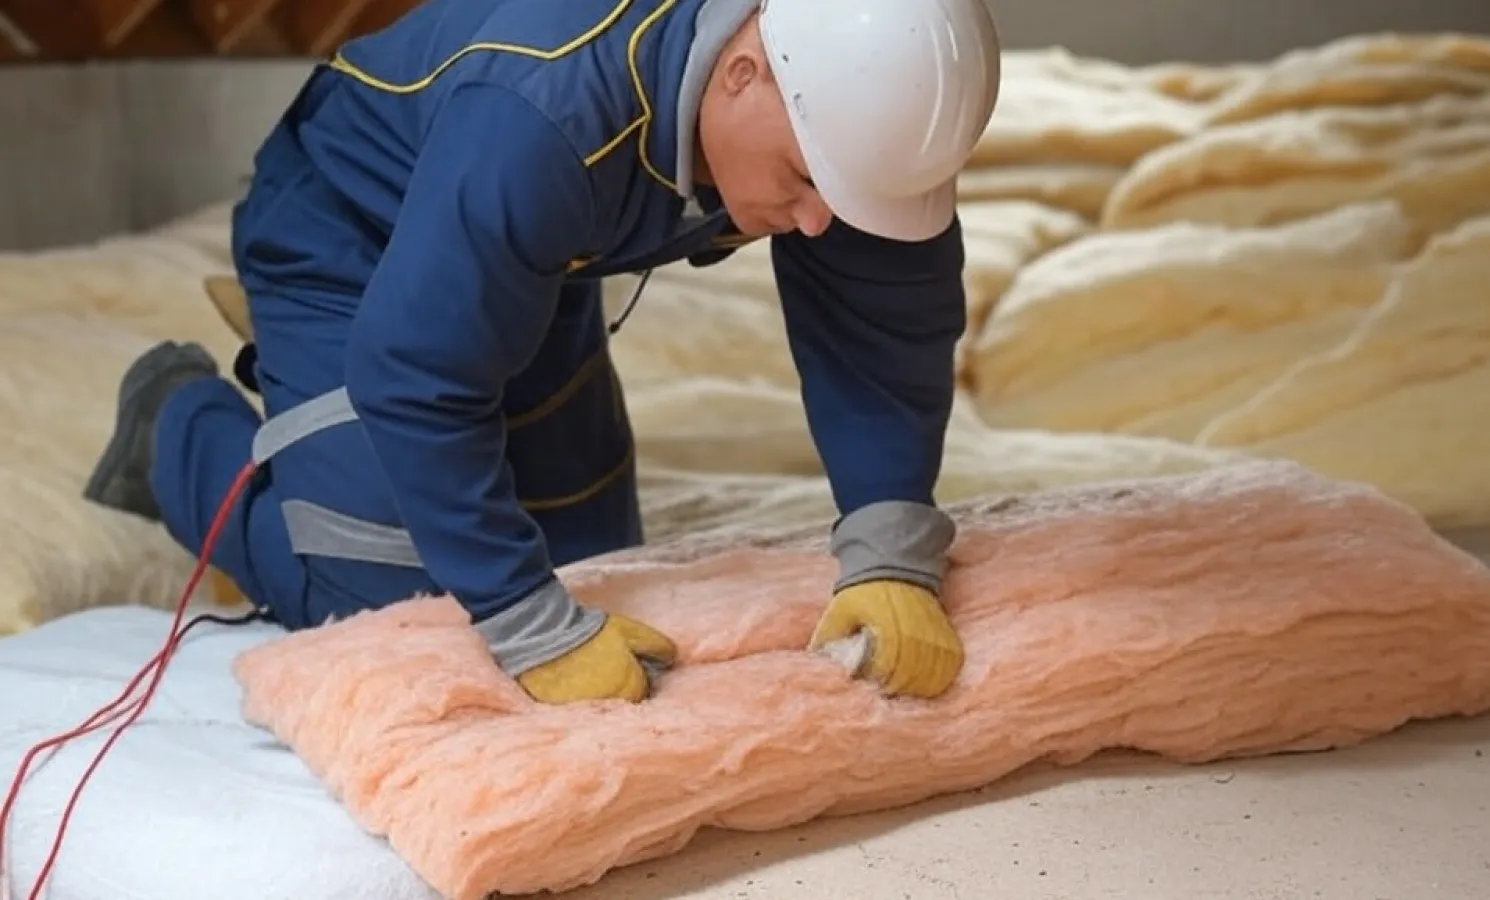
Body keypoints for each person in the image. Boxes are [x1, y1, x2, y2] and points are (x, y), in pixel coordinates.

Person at [83, 0, 1002, 706]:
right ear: (741, 73)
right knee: (386, 604)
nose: (815, 225)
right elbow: (415, 375)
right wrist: (524, 624)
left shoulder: (848, 101)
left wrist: (890, 551)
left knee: (591, 567)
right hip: (350, 231)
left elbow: (886, 320)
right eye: (805, 183)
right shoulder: (542, 110)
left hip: (542, 247)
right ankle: (173, 420)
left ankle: (479, 318)